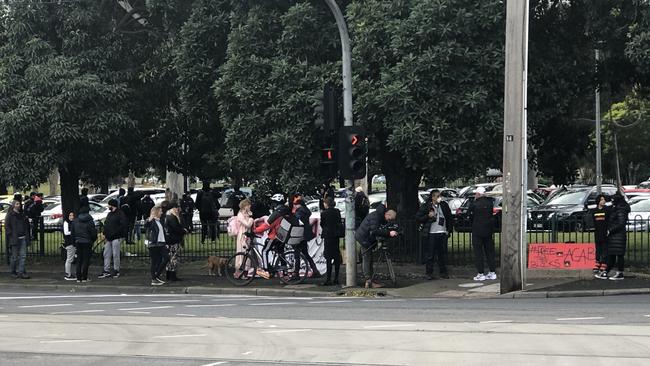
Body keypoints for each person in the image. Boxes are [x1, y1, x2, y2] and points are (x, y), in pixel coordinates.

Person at [355, 204, 398, 288]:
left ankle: (370, 279)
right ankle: (368, 280)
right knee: (367, 258)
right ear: (387, 214)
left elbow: (379, 230)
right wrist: (389, 233)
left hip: (367, 238)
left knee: (369, 258)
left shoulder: (380, 216)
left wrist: (389, 233)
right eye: (390, 219)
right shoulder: (376, 217)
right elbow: (375, 230)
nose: (389, 221)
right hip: (364, 238)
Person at [415, 190, 453, 280]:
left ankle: (443, 272)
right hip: (432, 233)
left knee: (442, 253)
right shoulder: (427, 206)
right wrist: (428, 216)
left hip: (442, 232)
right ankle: (429, 272)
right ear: (432, 197)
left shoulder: (444, 205)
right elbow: (418, 218)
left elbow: (449, 217)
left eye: (440, 196)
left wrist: (449, 230)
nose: (439, 198)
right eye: (437, 196)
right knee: (430, 254)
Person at [596, 192, 630, 280]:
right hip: (614, 236)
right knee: (612, 254)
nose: (611, 202)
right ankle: (606, 271)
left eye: (613, 200)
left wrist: (610, 230)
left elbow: (621, 223)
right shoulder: (616, 208)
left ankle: (619, 273)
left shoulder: (621, 210)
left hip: (618, 236)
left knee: (619, 255)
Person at [468, 187, 497, 281]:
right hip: (488, 230)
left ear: (478, 194)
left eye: (476, 193)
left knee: (478, 252)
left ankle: (481, 273)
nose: (475, 195)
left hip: (477, 230)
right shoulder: (490, 203)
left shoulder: (475, 204)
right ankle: (492, 272)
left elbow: (470, 214)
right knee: (489, 251)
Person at [291, 194, 321, 280]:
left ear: (298, 205)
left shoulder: (299, 211)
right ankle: (315, 270)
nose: (294, 206)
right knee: (305, 253)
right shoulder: (306, 211)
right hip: (305, 235)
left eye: (295, 205)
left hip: (299, 234)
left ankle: (296, 274)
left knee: (297, 254)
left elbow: (297, 220)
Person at [99, 199, 128, 279]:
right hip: (109, 237)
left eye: (109, 205)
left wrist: (113, 233)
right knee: (106, 253)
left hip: (116, 237)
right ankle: (106, 270)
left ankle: (116, 270)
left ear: (112, 205)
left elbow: (122, 226)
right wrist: (105, 233)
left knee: (115, 254)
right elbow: (106, 224)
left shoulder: (120, 214)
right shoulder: (110, 214)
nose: (108, 206)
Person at [320, 197, 344, 286]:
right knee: (336, 256)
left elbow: (322, 224)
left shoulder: (324, 213)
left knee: (328, 258)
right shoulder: (337, 211)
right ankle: (336, 278)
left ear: (326, 204)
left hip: (328, 236)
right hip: (336, 235)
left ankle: (328, 279)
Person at [144, 206, 168, 286]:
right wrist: (150, 218)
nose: (161, 213)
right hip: (154, 243)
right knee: (154, 261)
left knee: (165, 259)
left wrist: (165, 242)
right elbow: (146, 225)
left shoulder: (160, 221)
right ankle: (154, 278)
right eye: (160, 211)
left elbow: (162, 233)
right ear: (156, 212)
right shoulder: (151, 221)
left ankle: (156, 275)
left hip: (161, 243)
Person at [6, 201, 30, 279]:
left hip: (23, 237)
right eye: (17, 204)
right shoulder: (10, 215)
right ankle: (13, 271)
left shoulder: (22, 215)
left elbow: (26, 226)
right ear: (13, 205)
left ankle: (21, 272)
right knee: (14, 257)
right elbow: (7, 226)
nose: (18, 205)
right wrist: (11, 235)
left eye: (19, 204)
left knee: (23, 256)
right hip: (15, 239)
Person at [72, 206, 97, 283]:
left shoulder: (75, 221)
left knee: (79, 259)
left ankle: (78, 277)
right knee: (86, 260)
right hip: (87, 242)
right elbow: (93, 233)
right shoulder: (90, 221)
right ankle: (84, 277)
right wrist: (92, 240)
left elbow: (72, 233)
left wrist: (74, 241)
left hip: (78, 242)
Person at [165, 202, 188, 281]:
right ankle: (172, 275)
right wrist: (184, 231)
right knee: (173, 258)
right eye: (176, 208)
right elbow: (176, 228)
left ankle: (169, 274)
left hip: (170, 240)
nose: (178, 210)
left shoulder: (168, 216)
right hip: (173, 240)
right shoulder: (172, 217)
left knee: (170, 258)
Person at [234, 199, 254, 272]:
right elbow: (247, 224)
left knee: (248, 253)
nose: (250, 206)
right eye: (248, 205)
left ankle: (246, 270)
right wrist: (251, 219)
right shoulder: (240, 215)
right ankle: (240, 270)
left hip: (248, 235)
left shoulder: (248, 214)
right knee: (242, 253)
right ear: (245, 206)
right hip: (242, 235)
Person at [592, 194, 609, 274]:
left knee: (605, 248)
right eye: (602, 200)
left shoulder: (607, 210)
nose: (603, 201)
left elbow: (609, 220)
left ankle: (604, 262)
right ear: (598, 201)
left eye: (604, 200)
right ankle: (597, 262)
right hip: (597, 232)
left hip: (605, 232)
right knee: (598, 248)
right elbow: (593, 222)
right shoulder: (594, 211)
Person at [62, 212, 77, 281]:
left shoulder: (73, 222)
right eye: (70, 215)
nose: (72, 217)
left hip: (73, 243)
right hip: (69, 243)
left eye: (73, 215)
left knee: (71, 259)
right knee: (69, 259)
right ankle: (68, 274)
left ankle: (70, 273)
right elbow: (66, 232)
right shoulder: (66, 222)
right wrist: (74, 232)